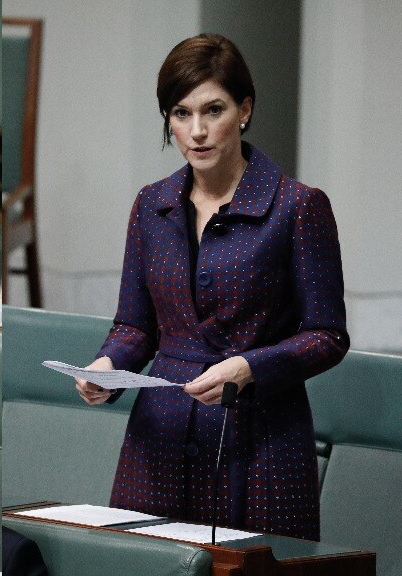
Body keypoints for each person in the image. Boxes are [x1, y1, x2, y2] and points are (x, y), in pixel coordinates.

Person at [74, 33, 348, 541]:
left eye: (213, 110)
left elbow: (328, 335)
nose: (196, 132)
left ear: (244, 110)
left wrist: (251, 367)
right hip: (159, 437)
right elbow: (135, 324)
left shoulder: (297, 206)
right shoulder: (150, 205)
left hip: (262, 442)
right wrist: (108, 365)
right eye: (180, 114)